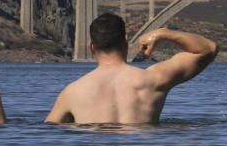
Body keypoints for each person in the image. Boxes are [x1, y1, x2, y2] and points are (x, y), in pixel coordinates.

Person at [45, 14, 218, 125]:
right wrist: (163, 34)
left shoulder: (72, 92)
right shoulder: (154, 79)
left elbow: (49, 131)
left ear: (91, 46)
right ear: (126, 41)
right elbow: (209, 49)